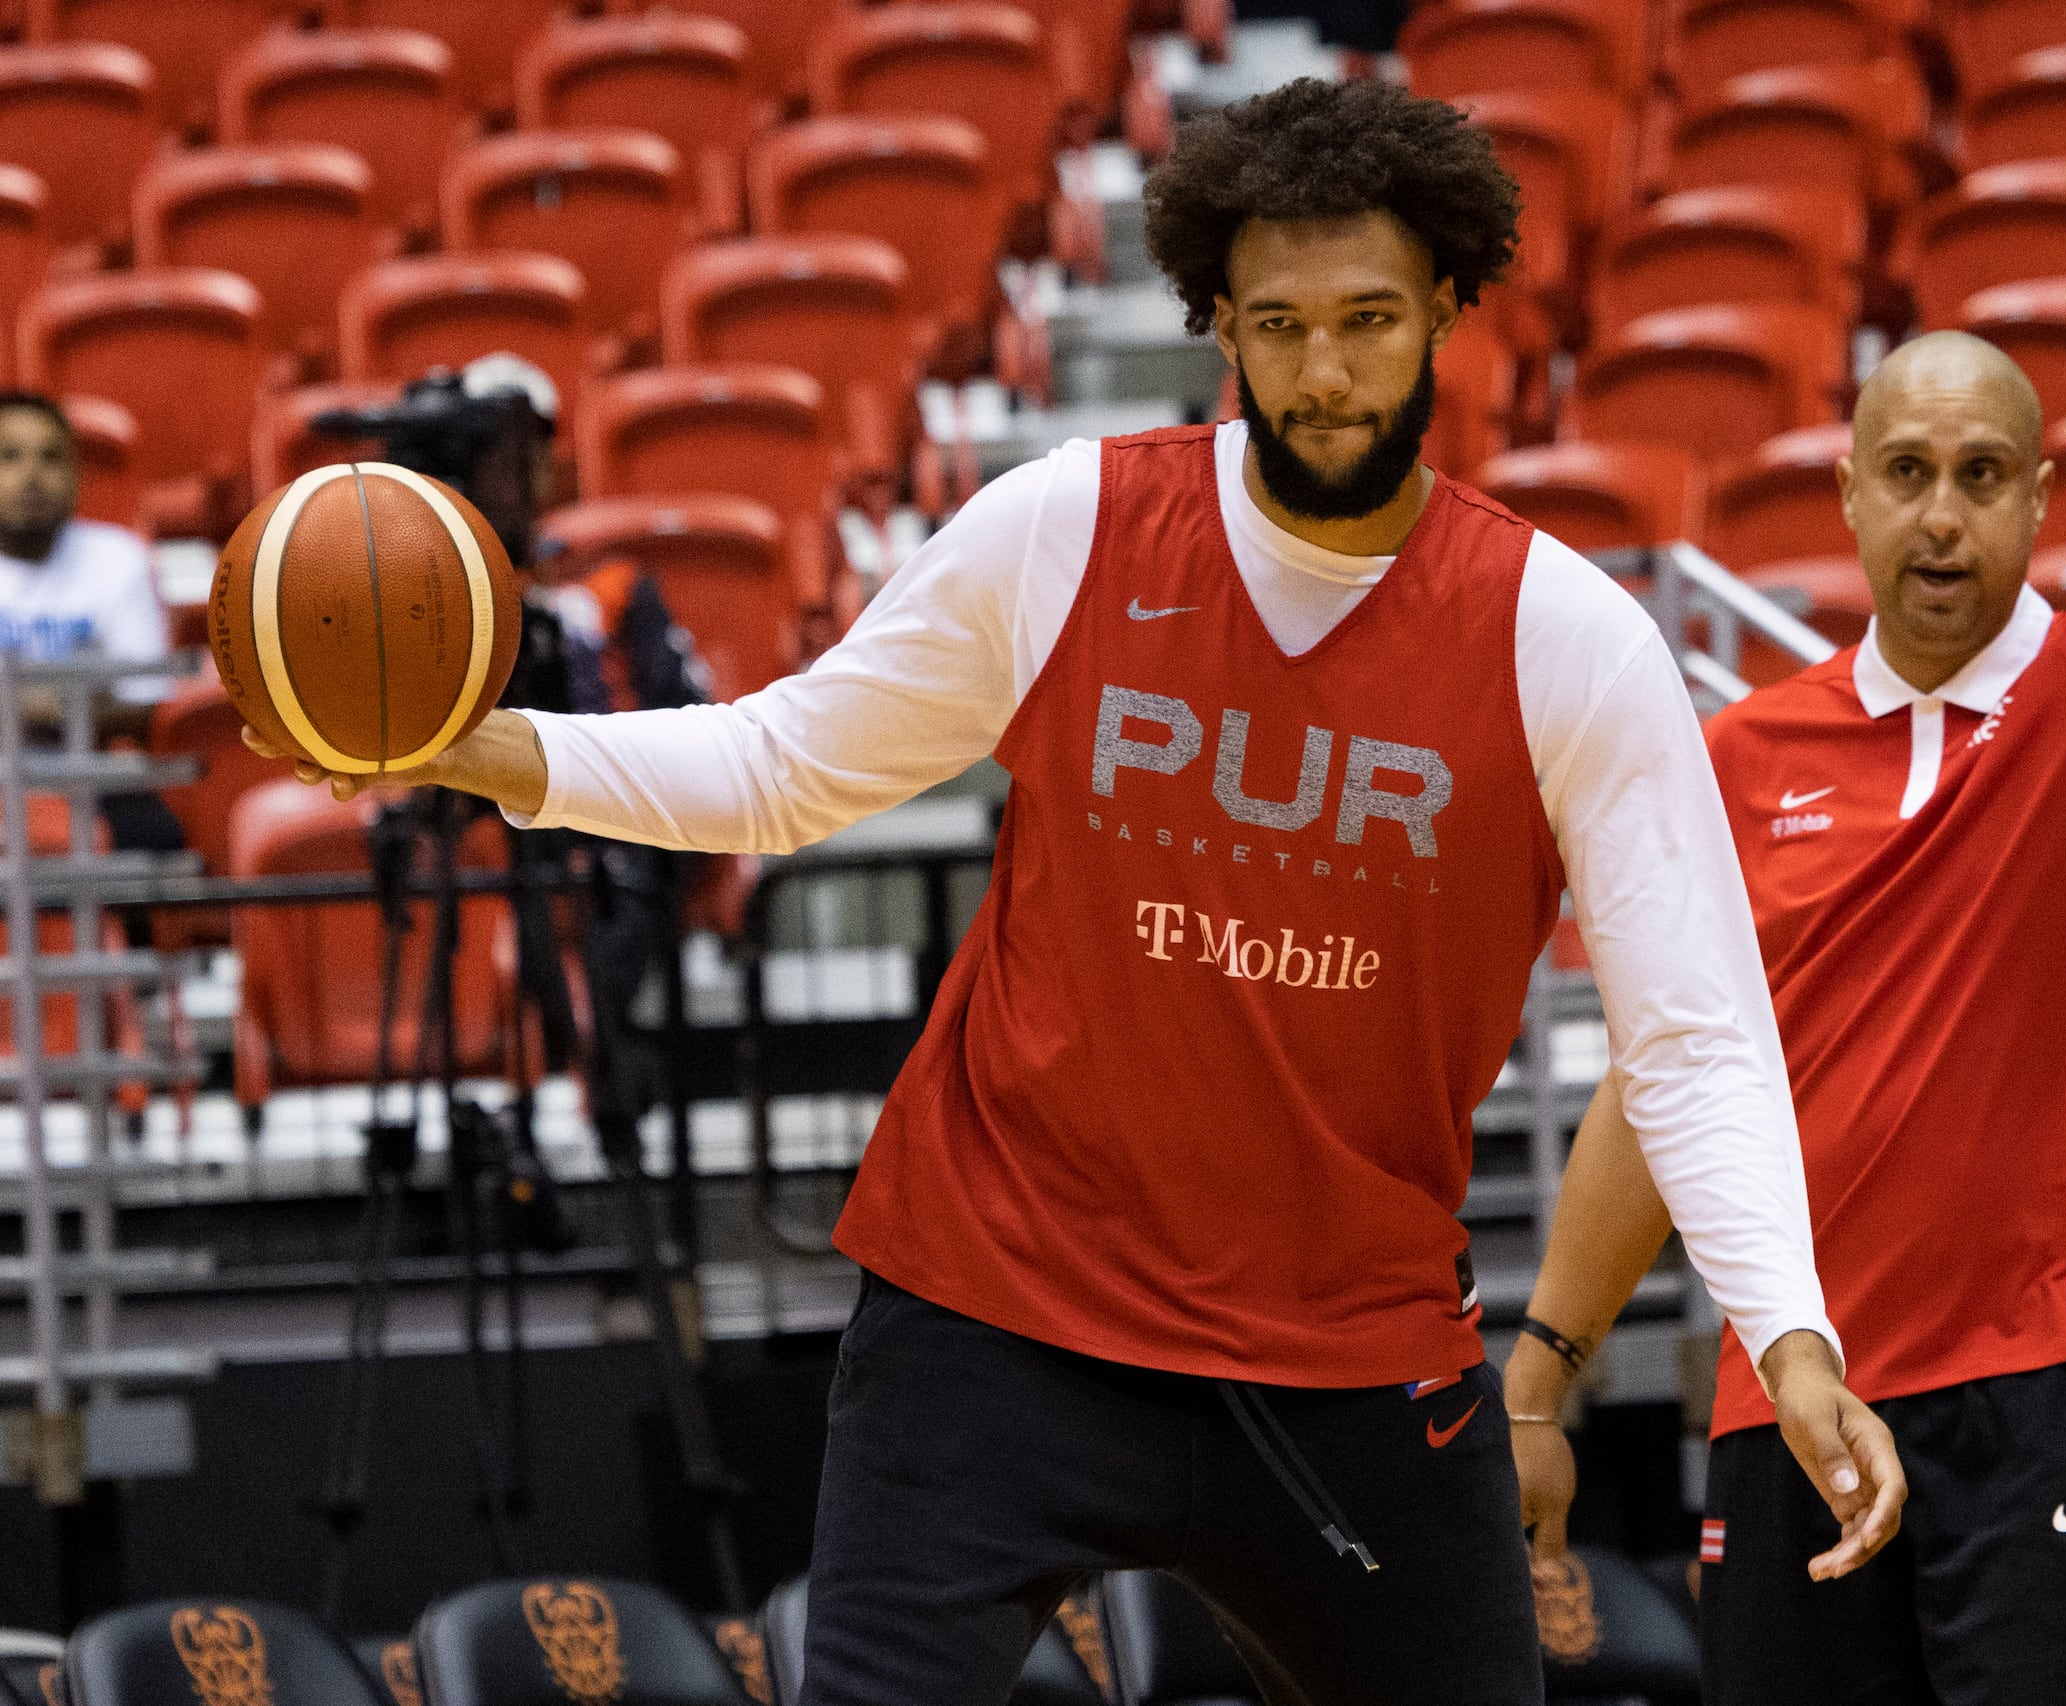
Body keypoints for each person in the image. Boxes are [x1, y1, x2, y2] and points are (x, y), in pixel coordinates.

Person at [252, 78, 1902, 1705]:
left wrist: (1790, 1332)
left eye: (1370, 321)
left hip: (1344, 1353)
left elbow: (1693, 1033)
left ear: (1447, 313)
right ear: (1219, 324)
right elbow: (782, 766)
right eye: (1281, 325)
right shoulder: (1067, 529)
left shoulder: (1566, 640)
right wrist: (489, 750)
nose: (1326, 372)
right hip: (998, 1316)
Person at [1506, 214, 2066, 1704]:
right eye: (1907, 473)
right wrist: (1541, 1378)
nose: (1943, 517)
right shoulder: (1736, 757)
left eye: (1983, 476)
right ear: (1849, 495)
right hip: (1792, 1388)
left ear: (2040, 499)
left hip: (2053, 1377)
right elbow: (1660, 1076)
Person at [0, 389, 185, 853]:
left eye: (50, 457)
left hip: (93, 773)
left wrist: (48, 708)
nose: (31, 475)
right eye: (9, 456)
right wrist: (67, 699)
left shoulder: (119, 558)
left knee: (159, 838)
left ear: (76, 475)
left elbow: (147, 704)